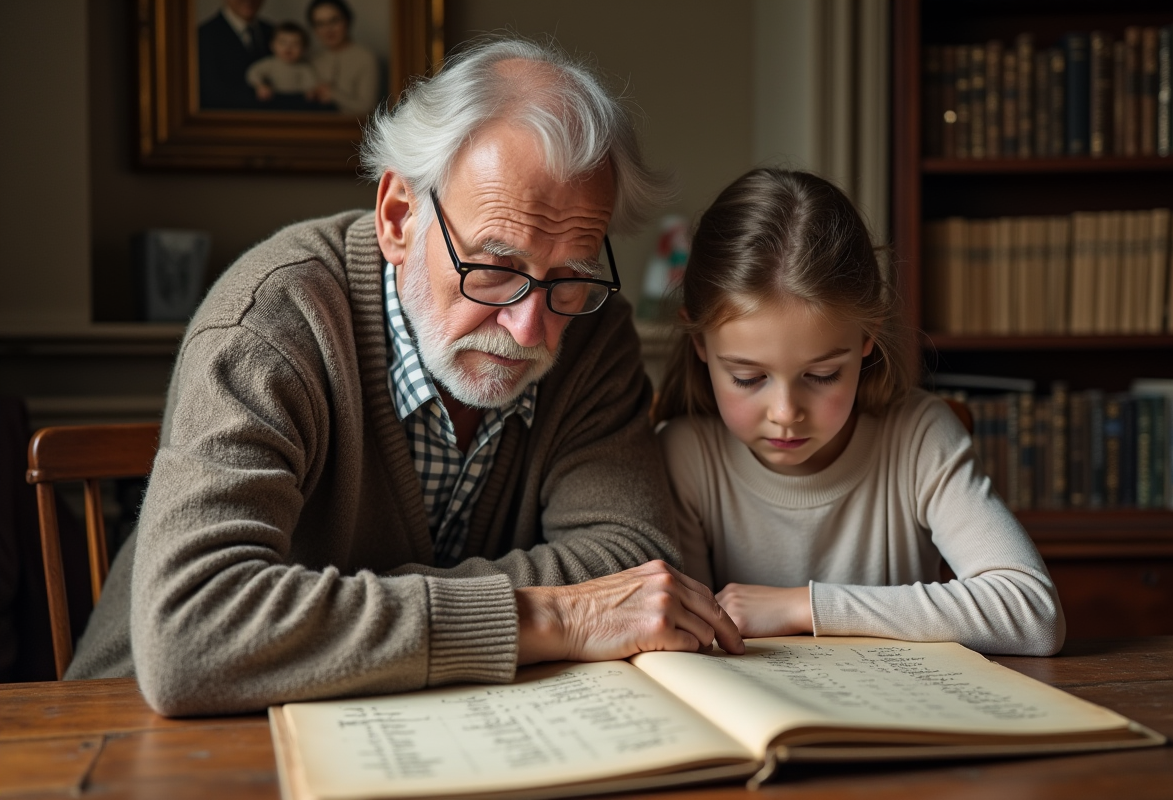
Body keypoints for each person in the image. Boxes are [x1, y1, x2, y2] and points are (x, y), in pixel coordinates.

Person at [65, 38, 742, 716]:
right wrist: (554, 618)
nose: (532, 329)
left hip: (416, 718)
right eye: (495, 268)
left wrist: (322, 610)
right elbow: (193, 635)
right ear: (398, 217)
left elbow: (632, 567)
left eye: (569, 274)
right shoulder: (272, 320)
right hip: (131, 734)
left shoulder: (592, 330)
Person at [654, 168, 1064, 657]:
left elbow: (1033, 613)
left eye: (822, 375)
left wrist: (804, 608)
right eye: (748, 378)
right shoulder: (685, 456)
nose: (785, 413)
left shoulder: (919, 438)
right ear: (699, 342)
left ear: (868, 336)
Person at [308, 0, 380, 116]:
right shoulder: (311, 59)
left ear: (347, 21)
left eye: (334, 21)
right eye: (320, 24)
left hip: (353, 130)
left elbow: (367, 108)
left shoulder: (365, 58)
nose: (328, 29)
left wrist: (333, 94)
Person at [198, 0, 274, 110]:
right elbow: (210, 92)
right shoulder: (203, 36)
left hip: (271, 122)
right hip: (224, 122)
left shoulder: (274, 33)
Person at [246, 22, 320, 105]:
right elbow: (253, 73)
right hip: (274, 100)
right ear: (272, 45)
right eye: (283, 42)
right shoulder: (270, 63)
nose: (288, 47)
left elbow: (311, 85)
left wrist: (311, 93)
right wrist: (260, 85)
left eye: (295, 44)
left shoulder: (303, 67)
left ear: (304, 49)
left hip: (297, 102)